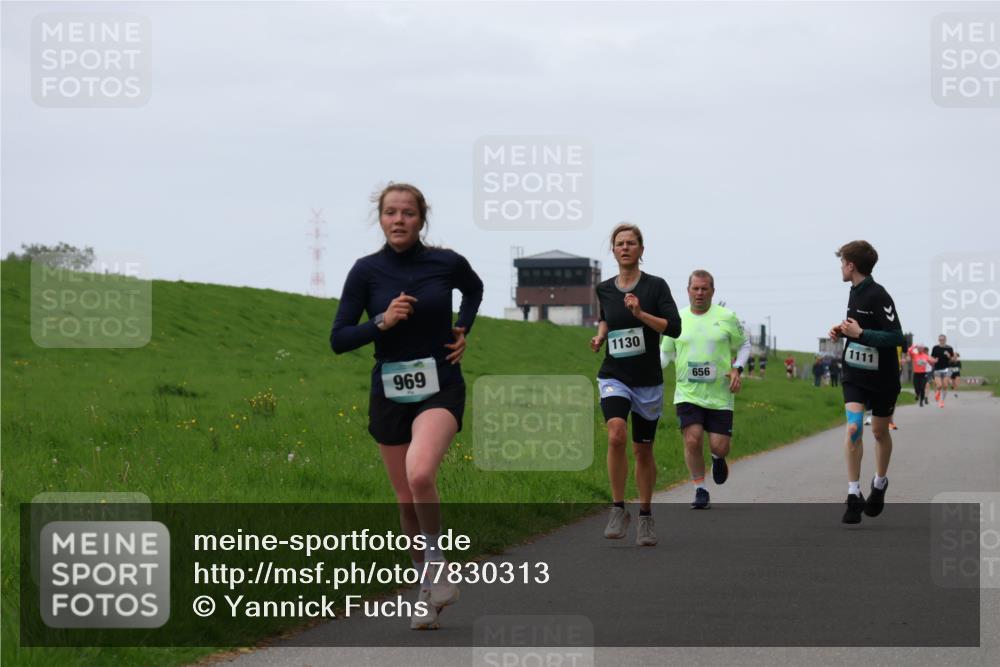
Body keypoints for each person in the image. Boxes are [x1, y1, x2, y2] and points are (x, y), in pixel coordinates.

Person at [330, 183, 484, 629]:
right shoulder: (366, 272)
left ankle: (437, 567)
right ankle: (425, 590)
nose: (399, 220)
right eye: (391, 213)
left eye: (408, 213)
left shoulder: (446, 263)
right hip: (390, 392)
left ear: (422, 219)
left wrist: (463, 327)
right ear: (380, 219)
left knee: (420, 473)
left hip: (440, 383)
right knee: (405, 500)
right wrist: (381, 321)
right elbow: (338, 339)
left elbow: (474, 290)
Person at [592, 223, 681, 545]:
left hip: (647, 381)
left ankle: (644, 515)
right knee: (616, 434)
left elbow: (674, 328)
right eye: (619, 243)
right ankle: (617, 508)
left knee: (643, 449)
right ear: (613, 251)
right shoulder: (604, 288)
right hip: (614, 375)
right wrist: (600, 336)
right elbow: (606, 316)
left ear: (641, 250)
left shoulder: (656, 287)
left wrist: (641, 313)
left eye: (631, 243)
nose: (625, 247)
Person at [828, 240, 904, 524]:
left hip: (883, 378)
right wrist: (842, 330)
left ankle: (880, 484)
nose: (840, 268)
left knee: (880, 432)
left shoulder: (878, 294)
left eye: (842, 263)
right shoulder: (853, 292)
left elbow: (896, 336)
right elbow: (857, 327)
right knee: (854, 427)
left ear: (852, 265)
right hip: (855, 374)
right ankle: (852, 493)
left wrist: (860, 334)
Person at [660, 270, 750, 510]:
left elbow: (744, 345)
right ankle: (700, 488)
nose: (699, 293)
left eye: (704, 289)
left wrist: (737, 369)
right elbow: (665, 354)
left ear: (712, 291)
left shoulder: (727, 317)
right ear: (688, 290)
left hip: (720, 394)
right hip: (688, 393)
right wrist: (644, 366)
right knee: (693, 439)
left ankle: (718, 458)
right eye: (695, 288)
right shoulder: (676, 319)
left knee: (720, 446)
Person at [930, 334, 954, 408]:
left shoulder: (949, 348)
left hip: (947, 369)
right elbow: (931, 358)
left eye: (942, 339)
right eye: (940, 340)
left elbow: (952, 360)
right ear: (938, 340)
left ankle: (942, 401)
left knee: (945, 385)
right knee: (939, 385)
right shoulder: (935, 348)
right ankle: (937, 392)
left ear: (945, 340)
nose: (941, 341)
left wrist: (949, 356)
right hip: (937, 369)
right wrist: (934, 360)